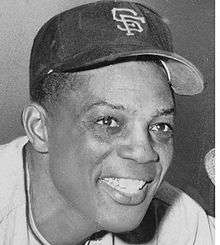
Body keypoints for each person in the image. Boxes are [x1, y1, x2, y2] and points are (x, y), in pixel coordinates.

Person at [0, 1, 214, 244]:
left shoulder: (177, 221)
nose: (144, 152)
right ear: (39, 128)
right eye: (108, 121)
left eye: (160, 126)